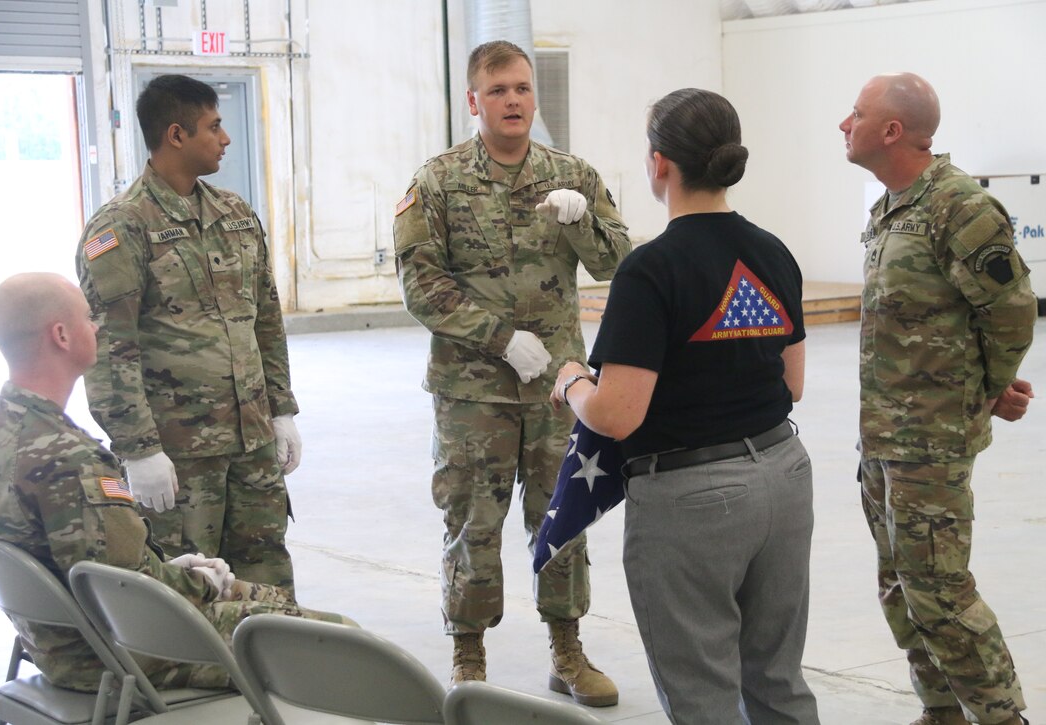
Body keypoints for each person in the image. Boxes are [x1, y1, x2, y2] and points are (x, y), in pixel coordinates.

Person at [551, 88, 819, 724]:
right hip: (785, 477)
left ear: (659, 163)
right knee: (777, 678)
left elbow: (617, 415)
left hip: (694, 500)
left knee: (702, 695)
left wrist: (569, 383)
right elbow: (795, 382)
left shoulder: (651, 270)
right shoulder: (773, 251)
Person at [0, 273, 351, 693]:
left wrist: (176, 571)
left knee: (277, 602)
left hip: (62, 645)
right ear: (61, 335)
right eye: (89, 318)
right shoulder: (69, 460)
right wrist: (205, 580)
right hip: (125, 652)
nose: (97, 327)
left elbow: (108, 568)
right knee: (343, 643)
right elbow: (129, 595)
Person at [392, 40, 630, 705]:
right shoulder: (437, 181)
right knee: (473, 523)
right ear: (475, 101)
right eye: (498, 90)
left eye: (523, 88)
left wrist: (583, 224)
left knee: (563, 520)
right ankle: (469, 654)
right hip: (473, 394)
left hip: (558, 391)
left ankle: (568, 650)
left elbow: (620, 261)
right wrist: (500, 339)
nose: (514, 100)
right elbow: (420, 285)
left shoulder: (572, 176)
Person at [839, 73, 1036, 725]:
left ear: (892, 131)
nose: (845, 123)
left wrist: (985, 388)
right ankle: (941, 711)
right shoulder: (888, 207)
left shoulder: (961, 206)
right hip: (884, 440)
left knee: (942, 594)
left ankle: (1002, 717)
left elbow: (1010, 310)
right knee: (900, 589)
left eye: (857, 113)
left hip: (931, 443)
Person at [75, 74, 301, 591]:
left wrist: (282, 409)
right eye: (214, 127)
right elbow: (109, 350)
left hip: (253, 442)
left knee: (265, 573)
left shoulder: (236, 215)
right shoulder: (120, 229)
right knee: (188, 586)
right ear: (176, 135)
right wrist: (138, 449)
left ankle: (267, 672)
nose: (225, 138)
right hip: (178, 455)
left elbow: (265, 319)